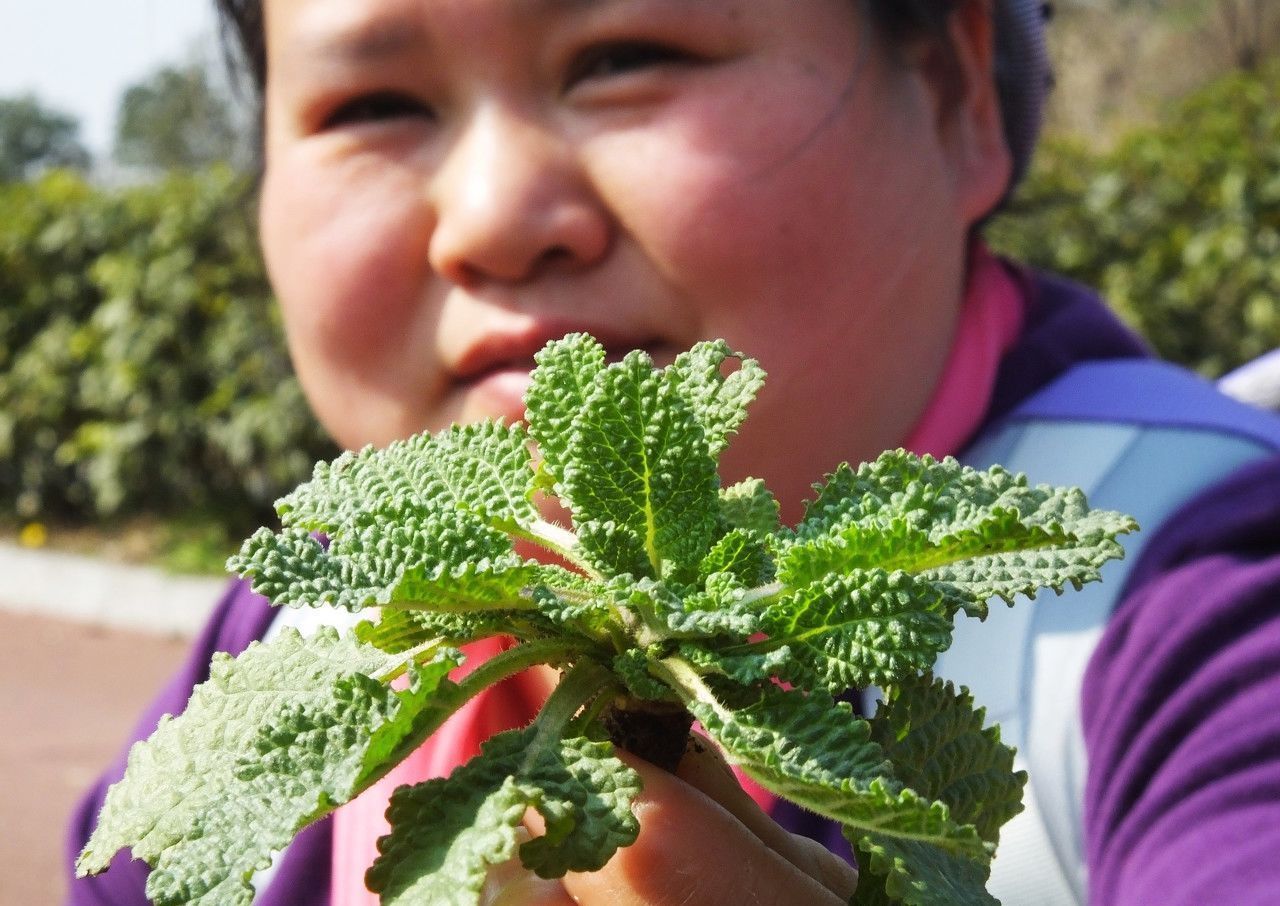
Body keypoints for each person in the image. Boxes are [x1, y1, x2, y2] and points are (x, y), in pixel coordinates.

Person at [66, 0, 1280, 903]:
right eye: (373, 105)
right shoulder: (316, 628)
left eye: (622, 57)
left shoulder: (1203, 610)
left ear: (958, 93)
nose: (492, 219)